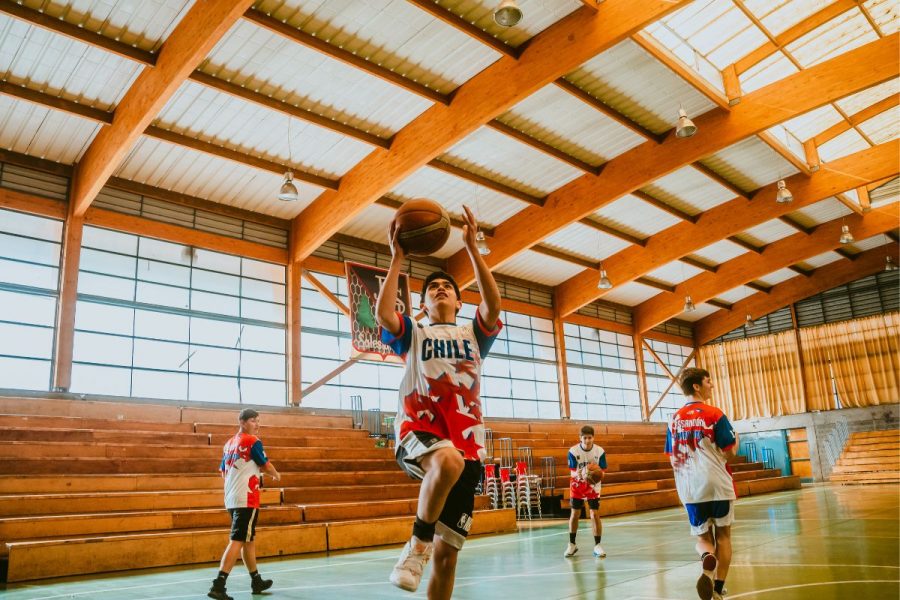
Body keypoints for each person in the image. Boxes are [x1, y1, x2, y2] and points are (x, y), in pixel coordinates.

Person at [377, 205, 502, 600]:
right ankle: (416, 545)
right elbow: (383, 314)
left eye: (447, 286)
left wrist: (471, 249)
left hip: (469, 443)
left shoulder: (473, 333)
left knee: (448, 558)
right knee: (447, 460)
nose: (440, 289)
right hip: (420, 428)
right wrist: (398, 258)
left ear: (460, 302)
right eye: (432, 288)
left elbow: (494, 305)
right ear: (423, 304)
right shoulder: (413, 331)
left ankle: (426, 549)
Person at [665, 368, 737, 600]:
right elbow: (730, 453)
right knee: (724, 536)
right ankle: (717, 587)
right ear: (696, 386)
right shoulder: (715, 414)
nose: (711, 385)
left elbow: (671, 456)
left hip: (689, 486)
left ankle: (707, 559)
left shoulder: (673, 420)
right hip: (717, 482)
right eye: (708, 381)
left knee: (703, 539)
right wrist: (737, 442)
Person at [208, 408, 281, 600]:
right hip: (246, 498)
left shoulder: (229, 444)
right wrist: (276, 474)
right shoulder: (252, 441)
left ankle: (256, 580)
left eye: (258, 421)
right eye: (253, 421)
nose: (257, 424)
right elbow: (265, 464)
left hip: (231, 497)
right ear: (242, 422)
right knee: (238, 539)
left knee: (248, 539)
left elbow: (223, 471)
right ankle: (219, 584)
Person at [564, 425, 607, 558]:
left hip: (593, 486)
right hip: (577, 484)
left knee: (594, 514)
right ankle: (572, 544)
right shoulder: (573, 451)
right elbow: (572, 472)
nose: (587, 440)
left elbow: (603, 472)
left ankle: (598, 545)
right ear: (580, 438)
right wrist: (583, 473)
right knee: (575, 514)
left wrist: (594, 475)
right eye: (585, 438)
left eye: (590, 438)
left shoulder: (599, 451)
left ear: (593, 438)